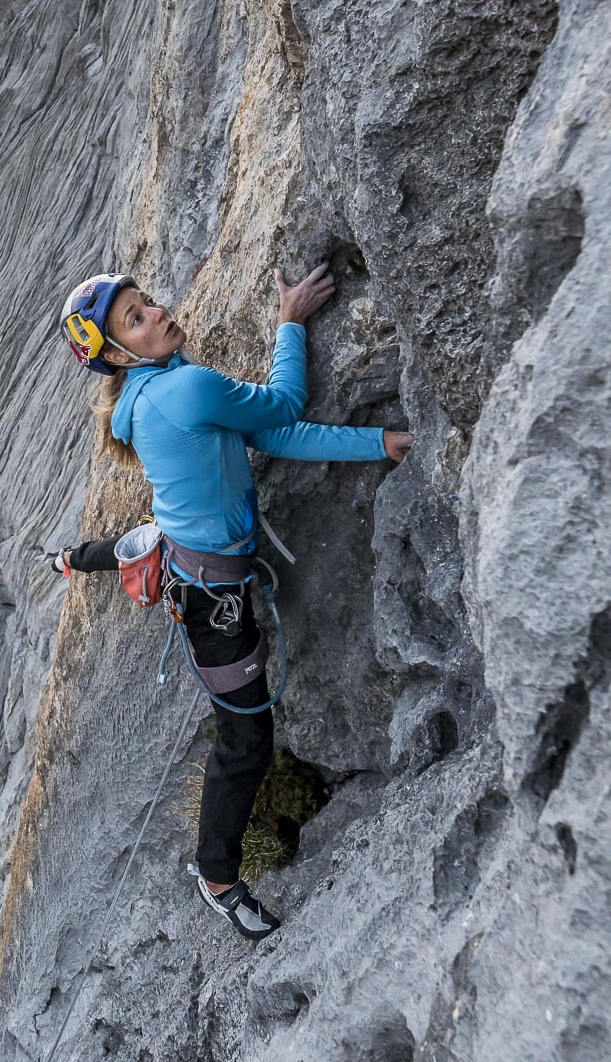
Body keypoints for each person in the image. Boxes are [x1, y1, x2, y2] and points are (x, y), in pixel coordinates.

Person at [55, 263, 412, 942]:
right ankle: (215, 878)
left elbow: (268, 437)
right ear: (116, 354)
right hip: (212, 604)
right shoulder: (181, 387)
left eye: (148, 302)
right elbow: (280, 411)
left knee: (140, 541)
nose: (157, 312)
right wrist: (288, 322)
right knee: (245, 742)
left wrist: (375, 443)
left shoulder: (155, 386)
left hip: (196, 564)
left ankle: (71, 558)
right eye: (135, 318)